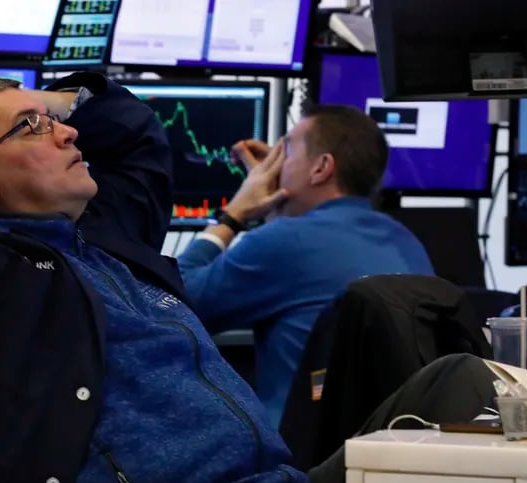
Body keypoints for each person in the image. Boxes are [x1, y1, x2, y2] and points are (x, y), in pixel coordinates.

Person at [0, 69, 490, 483]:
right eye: (32, 128)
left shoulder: (109, 241)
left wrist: (54, 96)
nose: (67, 132)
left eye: (55, 120)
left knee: (457, 379)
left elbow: (137, 137)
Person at [177, 105, 435, 428]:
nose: (274, 166)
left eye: (286, 151)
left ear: (321, 168)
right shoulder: (408, 241)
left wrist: (235, 214)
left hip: (296, 463)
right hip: (383, 452)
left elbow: (172, 301)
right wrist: (279, 210)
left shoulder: (286, 242)